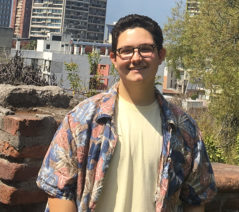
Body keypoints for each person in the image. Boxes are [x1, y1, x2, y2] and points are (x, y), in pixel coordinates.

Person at [36, 14, 216, 212]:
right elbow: (59, 190)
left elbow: (196, 198)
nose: (136, 58)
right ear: (113, 58)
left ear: (161, 55)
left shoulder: (183, 128)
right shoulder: (83, 119)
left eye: (146, 49)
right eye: (127, 51)